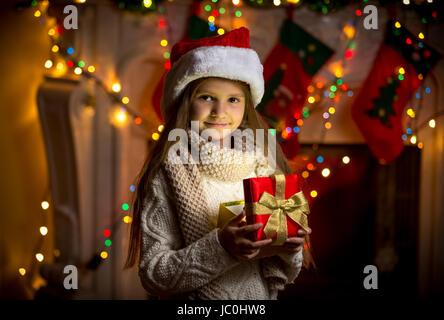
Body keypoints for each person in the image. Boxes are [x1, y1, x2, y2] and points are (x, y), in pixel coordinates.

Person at [125, 27, 312, 299]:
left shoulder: (263, 163)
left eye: (233, 100)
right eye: (207, 97)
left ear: (247, 105)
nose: (220, 112)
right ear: (186, 101)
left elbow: (284, 271)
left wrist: (290, 247)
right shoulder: (169, 171)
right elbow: (154, 273)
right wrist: (222, 246)